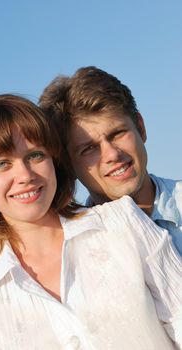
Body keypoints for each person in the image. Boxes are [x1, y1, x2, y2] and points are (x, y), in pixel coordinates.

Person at [0, 94, 182, 350]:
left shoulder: (123, 223)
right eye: (2, 163)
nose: (25, 175)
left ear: (55, 162)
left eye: (35, 155)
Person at [39, 66, 182, 256]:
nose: (112, 154)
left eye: (117, 134)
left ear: (140, 127)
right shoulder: (73, 254)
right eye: (89, 148)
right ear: (67, 165)